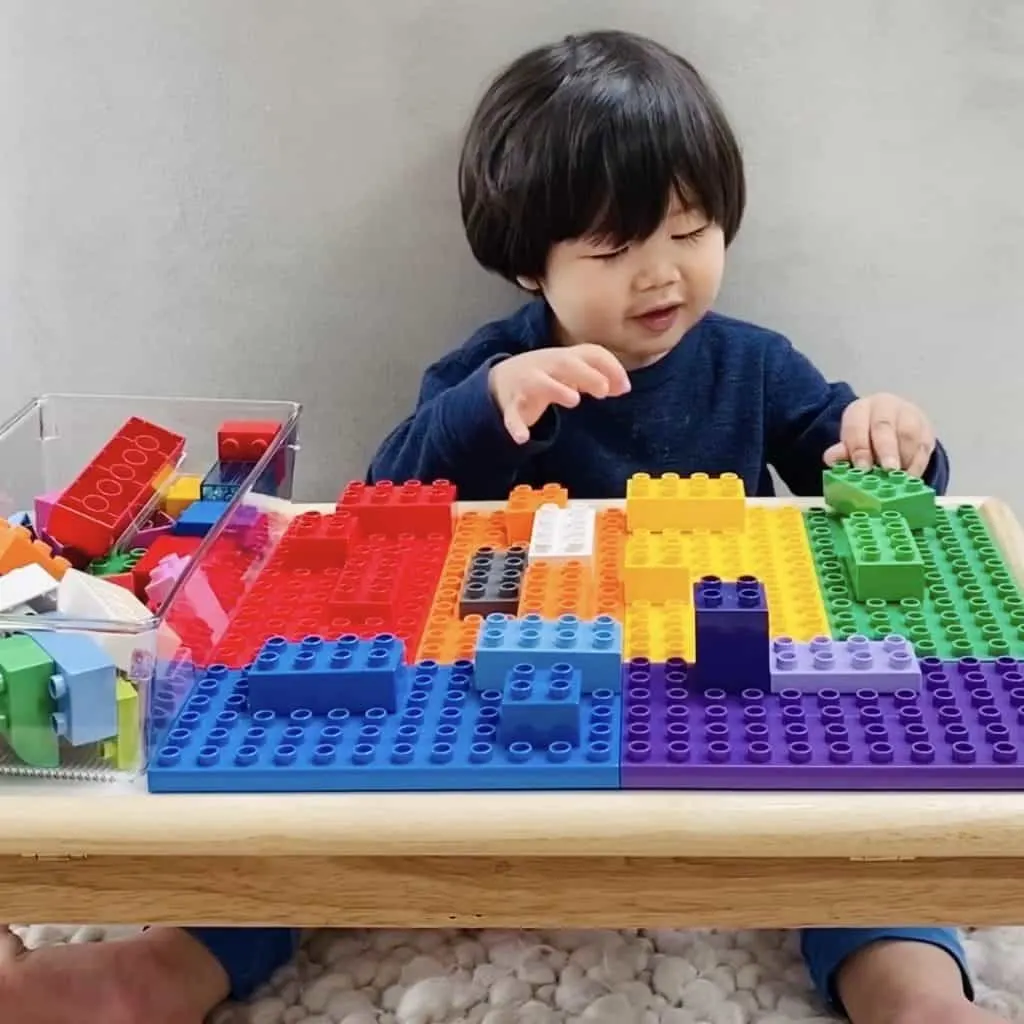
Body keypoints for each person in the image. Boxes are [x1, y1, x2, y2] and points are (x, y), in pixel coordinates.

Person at [0, 29, 1001, 1024]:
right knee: (310, 797)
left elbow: (872, 484)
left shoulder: (754, 363)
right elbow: (388, 496)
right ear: (531, 266)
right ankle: (160, 971)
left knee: (857, 811)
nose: (660, 273)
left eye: (690, 232)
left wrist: (891, 438)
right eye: (614, 248)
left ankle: (909, 983)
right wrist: (487, 405)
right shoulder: (491, 371)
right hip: (488, 688)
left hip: (712, 678)